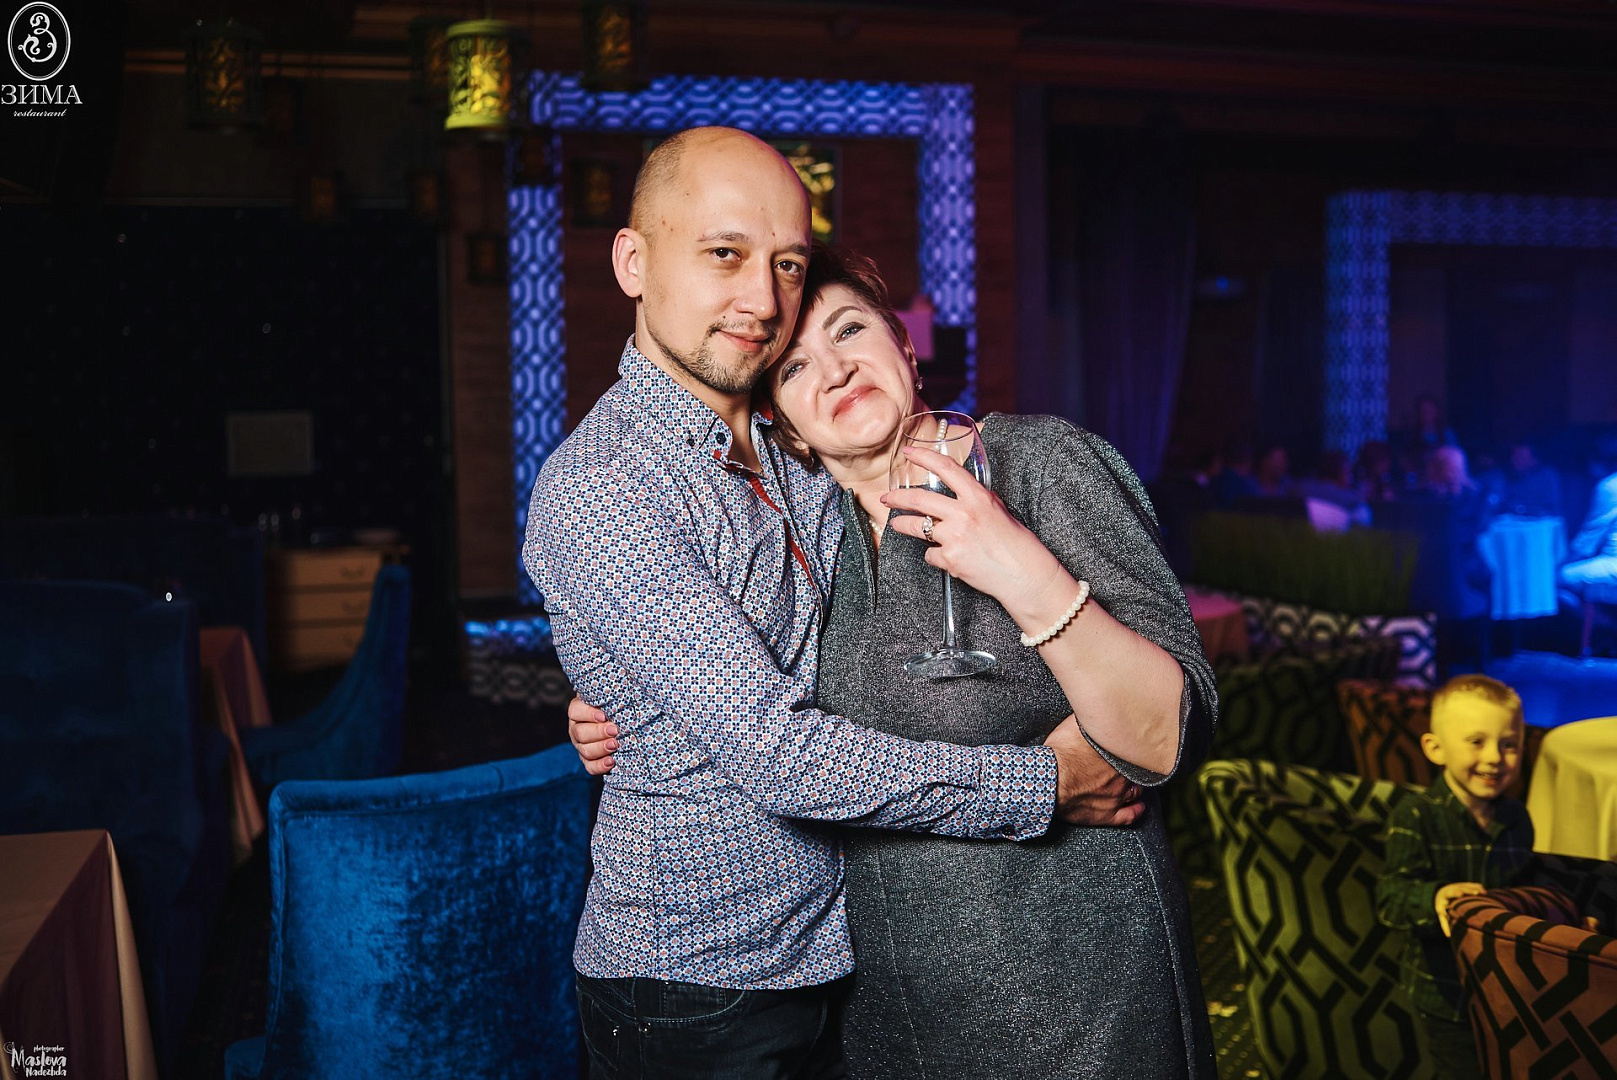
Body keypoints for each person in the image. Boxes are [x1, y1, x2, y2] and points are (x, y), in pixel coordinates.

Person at [525, 127, 1147, 1080]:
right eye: (724, 254)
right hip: (696, 987)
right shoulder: (604, 487)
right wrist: (1045, 785)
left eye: (784, 264)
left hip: (841, 958)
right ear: (633, 263)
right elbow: (779, 756)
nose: (762, 300)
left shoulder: (787, 453)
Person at [1374, 675, 1535, 1079]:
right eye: (1476, 742)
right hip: (1445, 990)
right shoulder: (1416, 815)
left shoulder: (1517, 818)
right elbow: (1391, 897)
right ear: (1436, 748)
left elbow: (1524, 885)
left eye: (1509, 744)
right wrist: (1435, 897)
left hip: (1505, 987)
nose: (1495, 757)